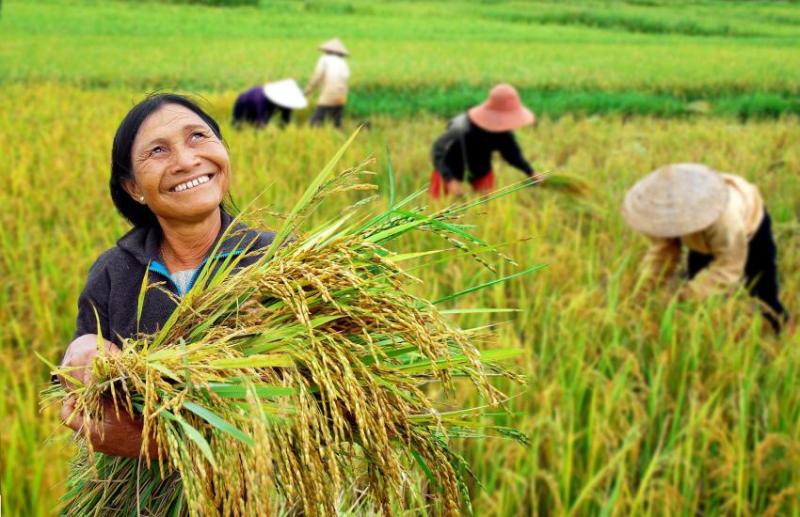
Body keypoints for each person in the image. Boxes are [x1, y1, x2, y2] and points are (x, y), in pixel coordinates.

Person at [59, 94, 276, 458]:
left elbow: (322, 410)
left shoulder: (281, 260)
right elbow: (82, 403)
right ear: (133, 188)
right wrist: (81, 352)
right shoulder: (112, 273)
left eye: (198, 137)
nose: (187, 161)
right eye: (158, 151)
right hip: (134, 490)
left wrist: (155, 445)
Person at [622, 163, 789, 332]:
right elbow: (663, 254)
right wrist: (643, 292)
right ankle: (703, 330)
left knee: (762, 291)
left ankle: (782, 328)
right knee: (697, 285)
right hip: (700, 240)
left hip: (748, 227)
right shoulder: (666, 215)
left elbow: (730, 265)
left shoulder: (726, 220)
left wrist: (684, 296)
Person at [429, 83, 538, 198]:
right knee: (436, 204)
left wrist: (531, 172)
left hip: (480, 168)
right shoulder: (461, 127)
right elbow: (438, 152)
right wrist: (449, 179)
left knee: (488, 204)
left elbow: (511, 153)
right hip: (451, 166)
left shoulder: (504, 131)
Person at [305, 38, 350, 128]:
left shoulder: (324, 59)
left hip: (329, 94)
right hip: (342, 95)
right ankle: (339, 132)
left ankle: (311, 132)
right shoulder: (343, 63)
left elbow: (317, 76)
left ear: (327, 50)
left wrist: (307, 91)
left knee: (315, 120)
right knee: (336, 121)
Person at [232, 79, 307, 128]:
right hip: (243, 104)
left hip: (259, 106)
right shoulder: (262, 99)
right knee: (238, 126)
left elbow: (285, 120)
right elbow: (262, 123)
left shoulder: (286, 102)